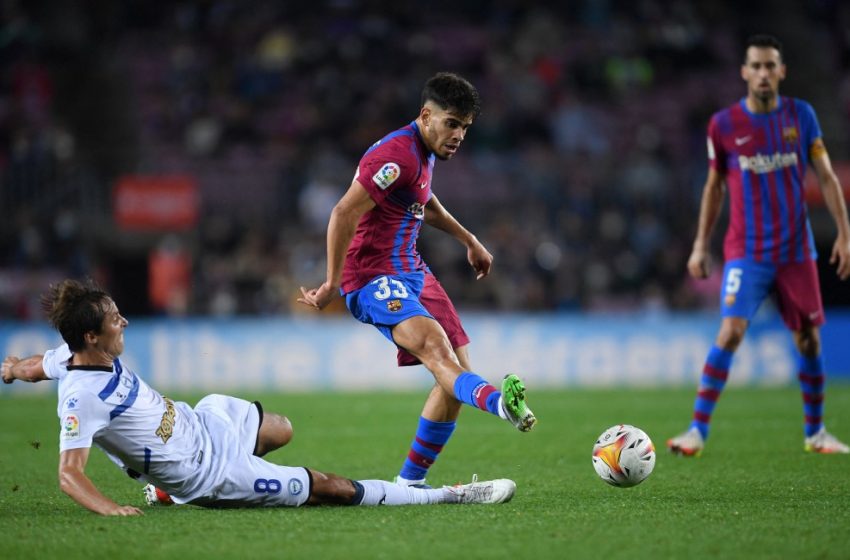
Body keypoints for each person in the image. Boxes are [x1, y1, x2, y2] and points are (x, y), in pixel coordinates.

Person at [0, 279, 516, 515]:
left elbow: (30, 366)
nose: (124, 322)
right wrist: (110, 511)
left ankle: (165, 489)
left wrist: (8, 370)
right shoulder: (80, 396)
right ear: (91, 336)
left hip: (201, 422)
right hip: (209, 473)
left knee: (281, 429)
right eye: (115, 320)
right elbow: (69, 474)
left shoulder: (66, 356)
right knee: (329, 487)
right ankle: (445, 495)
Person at [298, 72, 536, 487]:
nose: (459, 135)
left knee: (456, 375)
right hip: (372, 275)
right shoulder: (396, 156)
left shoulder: (423, 152)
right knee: (435, 349)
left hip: (412, 270)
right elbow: (343, 213)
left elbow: (424, 202)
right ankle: (503, 405)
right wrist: (333, 284)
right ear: (426, 115)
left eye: (465, 126)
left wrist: (469, 239)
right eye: (452, 123)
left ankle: (410, 482)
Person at [667, 34, 850, 456]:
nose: (764, 73)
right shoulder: (725, 124)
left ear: (781, 71)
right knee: (731, 331)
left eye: (771, 66)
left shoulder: (801, 116)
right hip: (746, 252)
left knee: (809, 340)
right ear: (744, 72)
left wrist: (843, 231)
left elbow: (826, 176)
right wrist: (699, 245)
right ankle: (696, 429)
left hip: (795, 252)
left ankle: (816, 432)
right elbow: (713, 187)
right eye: (757, 66)